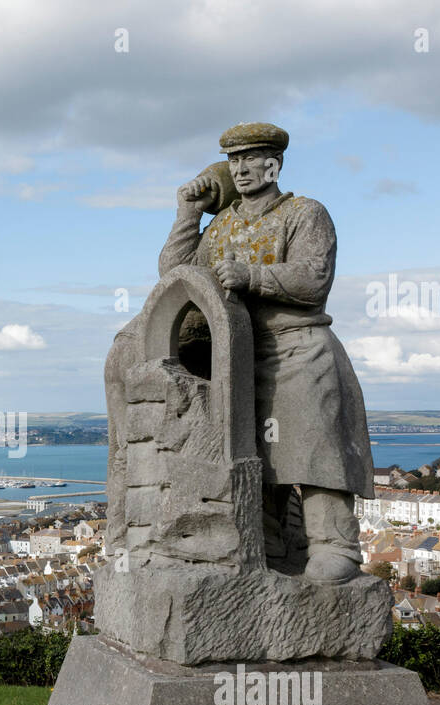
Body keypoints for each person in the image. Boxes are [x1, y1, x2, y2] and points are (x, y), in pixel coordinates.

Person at [157, 122, 374, 583]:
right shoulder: (223, 225)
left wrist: (251, 276)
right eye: (233, 160)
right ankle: (268, 539)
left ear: (273, 163)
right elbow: (176, 278)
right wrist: (187, 214)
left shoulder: (305, 213)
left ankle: (335, 545)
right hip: (240, 354)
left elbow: (313, 278)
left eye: (251, 159)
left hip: (299, 347)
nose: (241, 168)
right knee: (257, 453)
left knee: (314, 450)